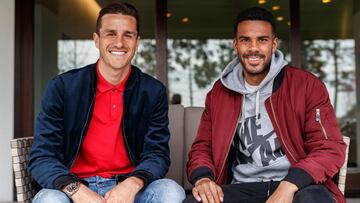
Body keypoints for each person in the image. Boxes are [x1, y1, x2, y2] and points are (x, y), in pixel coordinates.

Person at [184, 7, 346, 203]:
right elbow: (203, 148)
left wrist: (290, 184)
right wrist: (202, 179)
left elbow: (329, 147)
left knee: (314, 199)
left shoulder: (306, 85)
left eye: (262, 40)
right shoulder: (219, 93)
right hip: (241, 186)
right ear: (235, 44)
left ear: (274, 44)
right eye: (245, 40)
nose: (253, 48)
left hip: (296, 186)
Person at [28, 2, 185, 203]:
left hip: (128, 188)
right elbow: (42, 156)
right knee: (49, 200)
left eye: (128, 35)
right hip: (73, 186)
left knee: (171, 192)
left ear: (137, 42)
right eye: (111, 33)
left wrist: (132, 183)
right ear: (97, 39)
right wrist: (77, 191)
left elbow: (157, 153)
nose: (119, 43)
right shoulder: (63, 87)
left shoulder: (152, 91)